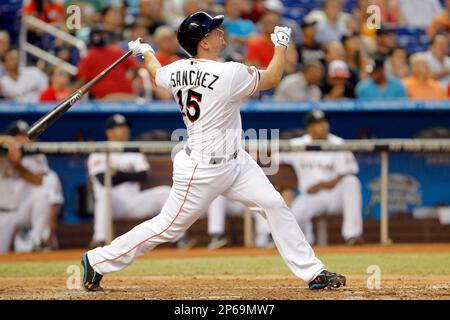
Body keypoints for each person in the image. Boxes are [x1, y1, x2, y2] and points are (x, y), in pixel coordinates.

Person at [81, 11, 346, 292]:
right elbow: (273, 77)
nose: (221, 33)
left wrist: (145, 51)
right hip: (201, 169)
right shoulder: (228, 72)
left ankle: (313, 272)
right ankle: (98, 260)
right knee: (167, 227)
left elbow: (156, 72)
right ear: (202, 43)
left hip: (236, 162)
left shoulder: (175, 69)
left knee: (274, 204)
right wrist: (280, 45)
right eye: (214, 31)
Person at [87, 114, 181, 248]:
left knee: (165, 192)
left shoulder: (133, 150)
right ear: (109, 132)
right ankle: (100, 239)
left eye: (125, 127)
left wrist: (117, 174)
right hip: (112, 203)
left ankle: (178, 238)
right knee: (103, 193)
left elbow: (143, 176)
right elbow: (103, 180)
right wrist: (130, 175)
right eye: (119, 127)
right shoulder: (99, 151)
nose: (124, 130)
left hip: (133, 200)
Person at [277, 110, 363, 245]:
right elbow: (274, 157)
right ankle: (300, 246)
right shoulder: (298, 144)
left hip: (335, 195)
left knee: (352, 182)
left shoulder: (338, 143)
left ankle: (352, 235)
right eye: (318, 123)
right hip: (311, 197)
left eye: (324, 122)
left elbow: (345, 173)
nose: (323, 126)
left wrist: (320, 185)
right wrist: (285, 187)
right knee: (295, 215)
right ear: (309, 128)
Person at [0, 120, 52, 253]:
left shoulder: (33, 153)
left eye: (26, 135)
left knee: (43, 193)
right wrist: (9, 142)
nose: (25, 139)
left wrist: (16, 165)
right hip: (2, 213)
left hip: (22, 211)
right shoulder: (2, 150)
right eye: (21, 136)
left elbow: (38, 181)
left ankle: (38, 241)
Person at [75, 27, 138, 101]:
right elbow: (136, 66)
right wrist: (131, 79)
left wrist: (73, 98)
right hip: (127, 97)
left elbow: (81, 81)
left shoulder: (89, 56)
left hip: (105, 100)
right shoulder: (117, 51)